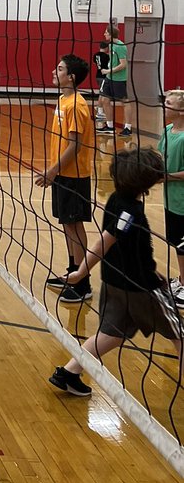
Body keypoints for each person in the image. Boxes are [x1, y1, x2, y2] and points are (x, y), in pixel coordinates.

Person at [49, 147, 182, 397]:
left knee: (112, 334)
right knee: (180, 336)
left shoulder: (116, 199)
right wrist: (79, 273)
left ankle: (68, 372)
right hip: (141, 287)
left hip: (114, 281)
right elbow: (105, 241)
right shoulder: (131, 211)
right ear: (146, 181)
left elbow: (125, 246)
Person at [36, 54, 95, 304]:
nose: (53, 71)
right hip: (62, 173)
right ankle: (73, 273)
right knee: (67, 224)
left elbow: (75, 146)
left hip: (74, 174)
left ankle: (83, 283)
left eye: (58, 69)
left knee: (74, 224)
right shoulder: (63, 99)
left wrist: (52, 170)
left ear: (71, 76)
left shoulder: (77, 106)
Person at [159, 89, 184, 307]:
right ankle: (182, 280)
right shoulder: (167, 130)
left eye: (169, 103)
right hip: (170, 200)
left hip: (183, 201)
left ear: (182, 111)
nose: (165, 106)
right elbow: (161, 159)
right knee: (177, 242)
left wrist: (166, 177)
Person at [96, 25, 133, 137]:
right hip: (109, 78)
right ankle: (110, 126)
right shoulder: (111, 45)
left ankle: (128, 128)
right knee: (104, 99)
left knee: (124, 102)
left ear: (111, 34)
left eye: (106, 32)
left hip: (119, 79)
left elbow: (123, 64)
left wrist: (108, 71)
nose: (104, 34)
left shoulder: (120, 46)